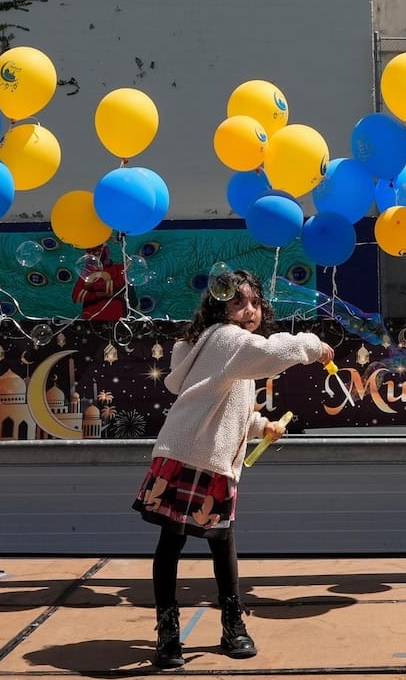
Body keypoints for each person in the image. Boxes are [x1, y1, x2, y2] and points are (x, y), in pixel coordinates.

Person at [132, 268, 332, 668]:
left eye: (255, 302)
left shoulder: (225, 350)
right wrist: (313, 344)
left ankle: (231, 624)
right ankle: (170, 634)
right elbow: (275, 353)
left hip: (206, 456)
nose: (249, 310)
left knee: (217, 542)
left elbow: (226, 405)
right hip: (190, 455)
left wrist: (261, 426)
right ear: (219, 307)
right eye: (238, 301)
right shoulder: (227, 339)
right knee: (177, 544)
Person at [72, 242, 127, 321]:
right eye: (90, 249)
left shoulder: (119, 269)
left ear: (106, 249)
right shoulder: (86, 272)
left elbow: (120, 286)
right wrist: (108, 292)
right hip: (91, 319)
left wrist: (91, 287)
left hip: (116, 318)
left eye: (99, 247)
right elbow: (76, 296)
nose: (95, 252)